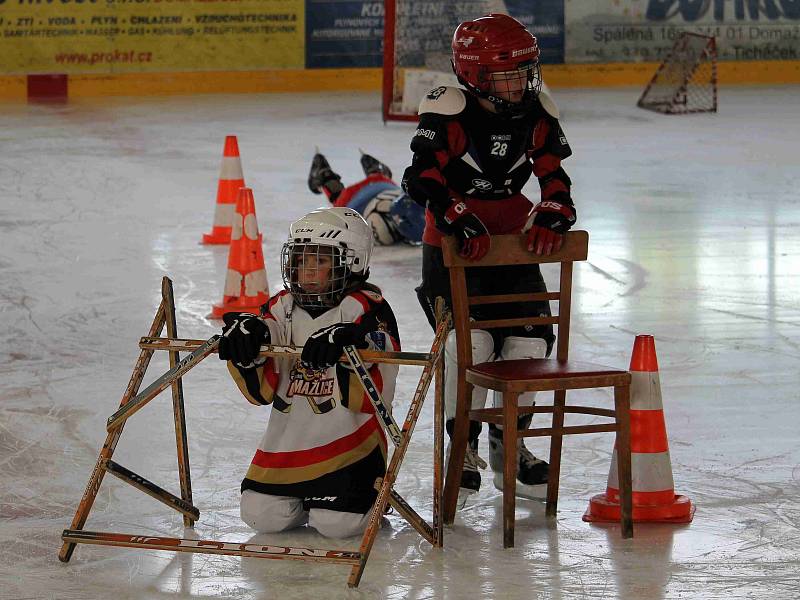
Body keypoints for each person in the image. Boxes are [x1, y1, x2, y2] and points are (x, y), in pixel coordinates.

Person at [401, 13, 577, 502]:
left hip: (511, 243)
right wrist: (455, 213)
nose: (519, 83)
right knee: (470, 348)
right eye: (506, 75)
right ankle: (460, 452)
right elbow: (420, 178)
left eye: (524, 71)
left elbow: (553, 176)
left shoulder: (538, 112)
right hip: (452, 248)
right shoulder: (451, 111)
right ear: (475, 75)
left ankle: (510, 450)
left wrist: (554, 209)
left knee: (528, 347)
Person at [218, 207, 401, 538]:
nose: (307, 271)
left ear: (352, 261)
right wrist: (250, 339)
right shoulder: (282, 306)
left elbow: (376, 356)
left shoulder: (364, 306)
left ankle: (363, 493)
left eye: (319, 260)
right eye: (301, 260)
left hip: (350, 450)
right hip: (286, 446)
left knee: (338, 525)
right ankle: (305, 495)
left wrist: (349, 344)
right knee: (262, 516)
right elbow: (263, 381)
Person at [308, 149, 425, 246]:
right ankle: (324, 177)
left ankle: (374, 170)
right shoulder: (385, 231)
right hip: (350, 201)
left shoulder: (409, 201)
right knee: (337, 198)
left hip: (382, 182)